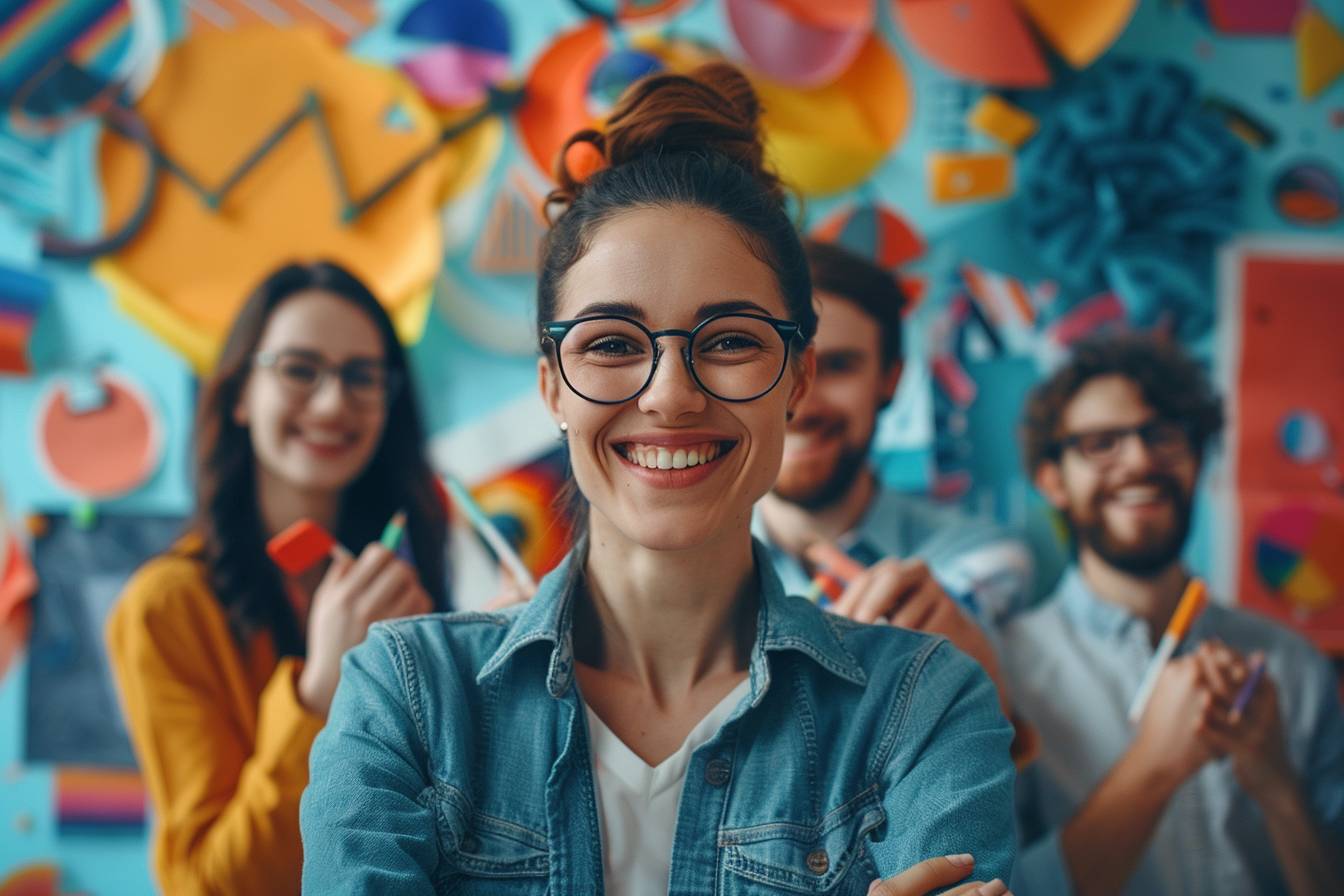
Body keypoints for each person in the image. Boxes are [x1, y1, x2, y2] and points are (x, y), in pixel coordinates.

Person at [301, 64, 1016, 896]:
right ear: (551, 388)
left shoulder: (922, 706)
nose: (671, 394)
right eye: (611, 344)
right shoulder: (409, 695)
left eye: (731, 340)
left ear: (796, 379)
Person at [106, 261, 450, 896]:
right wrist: (322, 688)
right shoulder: (167, 607)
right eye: (299, 369)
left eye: (361, 376)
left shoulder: (410, 575)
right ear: (239, 393)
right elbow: (207, 884)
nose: (332, 402)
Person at [1003, 333, 1344, 896]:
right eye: (1101, 443)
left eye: (1162, 435)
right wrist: (1157, 765)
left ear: (1198, 458)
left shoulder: (1294, 667)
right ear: (1052, 480)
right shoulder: (1003, 675)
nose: (1138, 460)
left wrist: (1276, 781)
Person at [755, 238, 1035, 734]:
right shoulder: (691, 571)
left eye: (837, 366)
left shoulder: (976, 555)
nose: (802, 401)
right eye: (778, 366)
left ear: (891, 379)